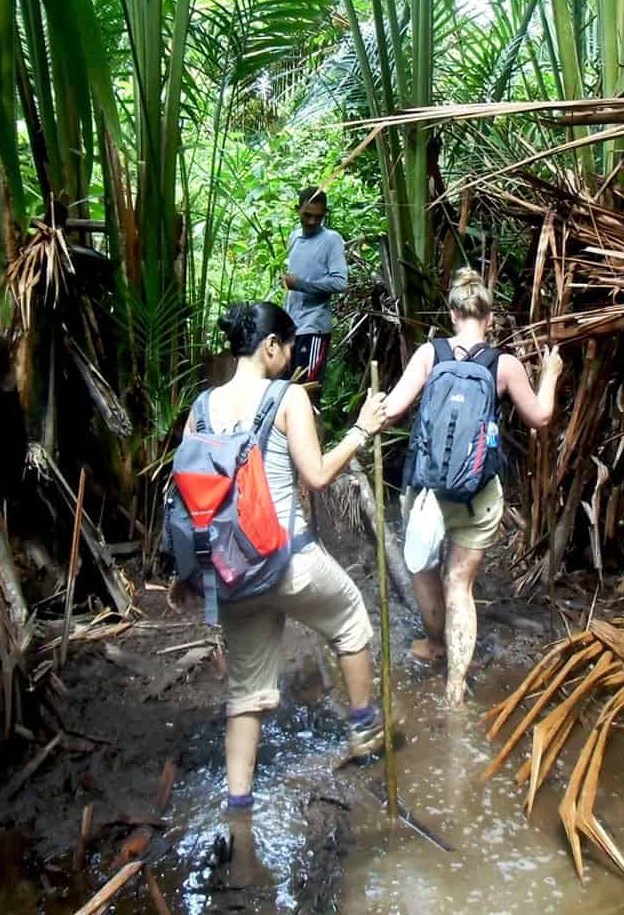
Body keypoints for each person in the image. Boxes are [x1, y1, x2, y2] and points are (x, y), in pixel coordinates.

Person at [177, 301, 389, 809]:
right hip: (289, 561)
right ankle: (364, 730)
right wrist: (361, 430)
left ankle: (239, 808)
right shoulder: (288, 396)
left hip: (231, 572)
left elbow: (189, 495)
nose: (292, 358)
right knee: (351, 620)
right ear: (271, 346)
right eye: (289, 348)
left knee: (245, 694)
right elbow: (316, 476)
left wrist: (189, 574)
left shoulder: (201, 407)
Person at [384, 268, 563, 708]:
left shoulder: (429, 354)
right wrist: (551, 374)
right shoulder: (504, 365)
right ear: (490, 318)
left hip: (426, 490)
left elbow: (391, 410)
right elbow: (540, 417)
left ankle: (434, 644)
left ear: (452, 313)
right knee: (459, 584)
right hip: (478, 494)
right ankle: (455, 687)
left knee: (424, 570)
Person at [282, 187, 347, 398]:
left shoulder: (331, 240)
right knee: (287, 391)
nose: (312, 221)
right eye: (307, 215)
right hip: (291, 329)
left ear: (325, 214)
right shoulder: (294, 237)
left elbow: (340, 283)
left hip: (314, 329)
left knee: (307, 393)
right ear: (297, 210)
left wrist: (301, 284)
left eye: (318, 217)